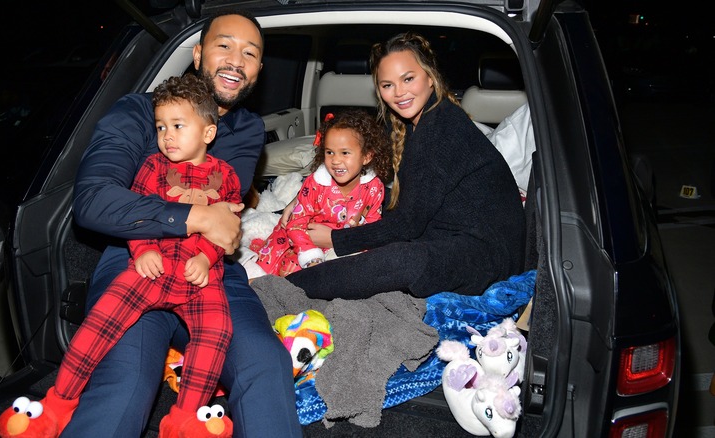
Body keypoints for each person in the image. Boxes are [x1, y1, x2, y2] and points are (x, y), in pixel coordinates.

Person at [65, 10, 302, 437]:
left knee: (266, 365)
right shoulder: (137, 112)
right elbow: (94, 199)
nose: (236, 60)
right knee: (125, 383)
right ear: (197, 54)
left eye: (249, 53)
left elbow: (225, 220)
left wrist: (199, 220)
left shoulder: (247, 129)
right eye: (223, 45)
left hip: (211, 271)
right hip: (137, 259)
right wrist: (191, 216)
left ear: (259, 70)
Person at [17, 73, 239, 436]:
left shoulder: (225, 175)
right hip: (152, 267)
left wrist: (206, 258)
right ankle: (58, 402)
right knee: (100, 320)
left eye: (178, 125)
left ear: (208, 133)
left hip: (199, 276)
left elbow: (227, 226)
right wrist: (143, 250)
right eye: (161, 126)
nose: (166, 135)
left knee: (216, 332)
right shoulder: (152, 167)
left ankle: (186, 417)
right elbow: (137, 214)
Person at [285, 31, 525, 300]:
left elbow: (408, 224)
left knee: (403, 260)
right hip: (453, 232)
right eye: (387, 85)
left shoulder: (442, 129)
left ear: (430, 78)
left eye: (408, 79)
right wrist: (306, 198)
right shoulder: (416, 122)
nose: (399, 93)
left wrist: (335, 240)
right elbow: (408, 198)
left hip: (489, 257)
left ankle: (283, 289)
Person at [251, 109, 392, 277]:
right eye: (329, 152)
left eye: (345, 153)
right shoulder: (315, 184)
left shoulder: (374, 187)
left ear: (367, 157)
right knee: (285, 273)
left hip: (344, 242)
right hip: (303, 239)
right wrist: (310, 254)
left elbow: (372, 226)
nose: (336, 160)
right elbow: (296, 223)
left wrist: (364, 252)